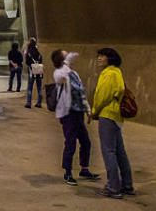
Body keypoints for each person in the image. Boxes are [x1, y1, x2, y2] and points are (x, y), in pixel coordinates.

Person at [91, 47, 134, 199]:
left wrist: (94, 111)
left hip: (107, 115)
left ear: (111, 58)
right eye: (99, 56)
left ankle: (113, 187)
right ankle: (127, 185)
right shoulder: (117, 73)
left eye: (103, 56)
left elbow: (102, 96)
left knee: (108, 151)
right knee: (120, 151)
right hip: (116, 116)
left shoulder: (108, 74)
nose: (99, 58)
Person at [52, 49, 99, 186]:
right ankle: (68, 172)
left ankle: (84, 169)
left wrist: (88, 111)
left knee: (86, 141)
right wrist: (66, 65)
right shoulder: (60, 73)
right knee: (70, 142)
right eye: (66, 56)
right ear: (62, 60)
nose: (70, 57)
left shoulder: (75, 74)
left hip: (78, 113)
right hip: (68, 114)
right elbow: (60, 78)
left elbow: (81, 93)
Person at [24, 37, 43, 109]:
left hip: (31, 71)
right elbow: (41, 61)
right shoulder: (38, 52)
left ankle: (29, 103)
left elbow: (27, 62)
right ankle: (39, 103)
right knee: (39, 88)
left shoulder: (28, 52)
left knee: (30, 88)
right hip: (39, 71)